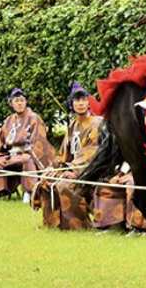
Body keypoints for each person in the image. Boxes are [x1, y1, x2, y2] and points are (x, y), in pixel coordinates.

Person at [33, 83, 103, 229]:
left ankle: (77, 225)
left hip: (92, 168)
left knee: (66, 184)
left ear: (88, 102)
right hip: (73, 167)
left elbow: (92, 151)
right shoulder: (73, 125)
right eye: (77, 100)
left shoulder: (98, 123)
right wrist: (52, 168)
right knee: (46, 181)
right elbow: (64, 154)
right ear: (72, 104)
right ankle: (53, 223)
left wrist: (73, 170)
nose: (81, 103)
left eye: (83, 100)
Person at [0, 88, 55, 203]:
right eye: (16, 101)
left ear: (26, 102)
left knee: (27, 160)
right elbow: (0, 139)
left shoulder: (33, 117)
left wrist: (28, 152)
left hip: (27, 153)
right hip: (10, 154)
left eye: (22, 100)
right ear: (11, 103)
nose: (19, 103)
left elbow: (38, 140)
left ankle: (28, 193)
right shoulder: (9, 120)